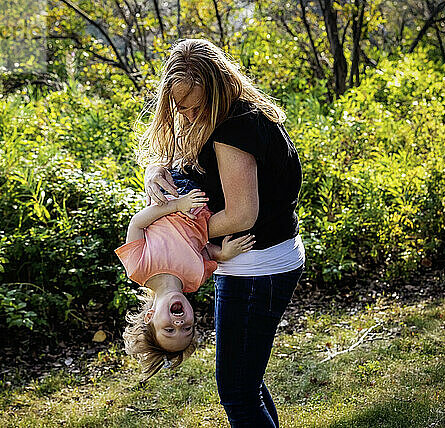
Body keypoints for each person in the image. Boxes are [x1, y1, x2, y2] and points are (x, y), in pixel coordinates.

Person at [140, 38, 305, 427]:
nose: (187, 113)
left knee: (236, 393)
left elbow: (241, 216)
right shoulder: (219, 115)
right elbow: (190, 167)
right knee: (246, 383)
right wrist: (155, 171)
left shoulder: (234, 127)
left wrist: (177, 228)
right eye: (179, 106)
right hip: (247, 263)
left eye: (195, 105)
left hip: (258, 266)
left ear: (216, 89)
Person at [115, 169, 255, 381]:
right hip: (205, 205)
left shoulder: (138, 268)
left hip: (174, 192)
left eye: (169, 329)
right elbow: (205, 250)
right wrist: (223, 254)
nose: (179, 324)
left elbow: (137, 223)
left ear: (150, 317)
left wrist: (177, 205)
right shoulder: (195, 278)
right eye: (187, 328)